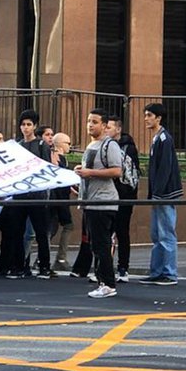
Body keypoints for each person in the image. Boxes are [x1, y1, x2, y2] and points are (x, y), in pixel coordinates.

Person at [76, 109, 125, 299]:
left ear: (104, 126)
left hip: (103, 202)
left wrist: (90, 173)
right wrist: (82, 171)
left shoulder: (109, 145)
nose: (90, 124)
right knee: (95, 245)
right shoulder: (91, 144)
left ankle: (108, 283)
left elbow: (116, 171)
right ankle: (102, 281)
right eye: (89, 121)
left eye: (95, 122)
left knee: (102, 244)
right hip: (90, 202)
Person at [0, 109, 54, 279]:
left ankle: (44, 266)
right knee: (17, 232)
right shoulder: (17, 145)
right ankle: (19, 266)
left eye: (29, 124)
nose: (25, 128)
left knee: (40, 232)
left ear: (34, 126)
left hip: (37, 196)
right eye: (23, 124)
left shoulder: (41, 145)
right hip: (20, 195)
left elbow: (46, 168)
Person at [141, 103, 183, 286]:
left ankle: (169, 273)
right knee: (157, 233)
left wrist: (157, 192)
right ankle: (157, 271)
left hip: (165, 194)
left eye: (149, 115)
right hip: (159, 193)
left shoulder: (164, 138)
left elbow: (165, 168)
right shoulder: (157, 138)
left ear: (159, 118)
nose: (146, 118)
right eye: (146, 115)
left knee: (166, 232)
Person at [105, 115, 140, 282]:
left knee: (122, 231)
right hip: (107, 194)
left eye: (109, 127)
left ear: (118, 129)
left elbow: (130, 175)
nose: (106, 130)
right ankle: (104, 268)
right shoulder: (104, 145)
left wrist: (127, 194)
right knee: (105, 232)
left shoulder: (129, 148)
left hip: (124, 196)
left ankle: (123, 268)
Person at [49, 132, 76, 272]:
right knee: (67, 226)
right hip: (59, 199)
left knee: (52, 229)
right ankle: (60, 258)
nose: (69, 146)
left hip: (57, 198)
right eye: (67, 143)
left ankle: (45, 259)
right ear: (60, 144)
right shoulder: (58, 159)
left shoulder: (59, 158)